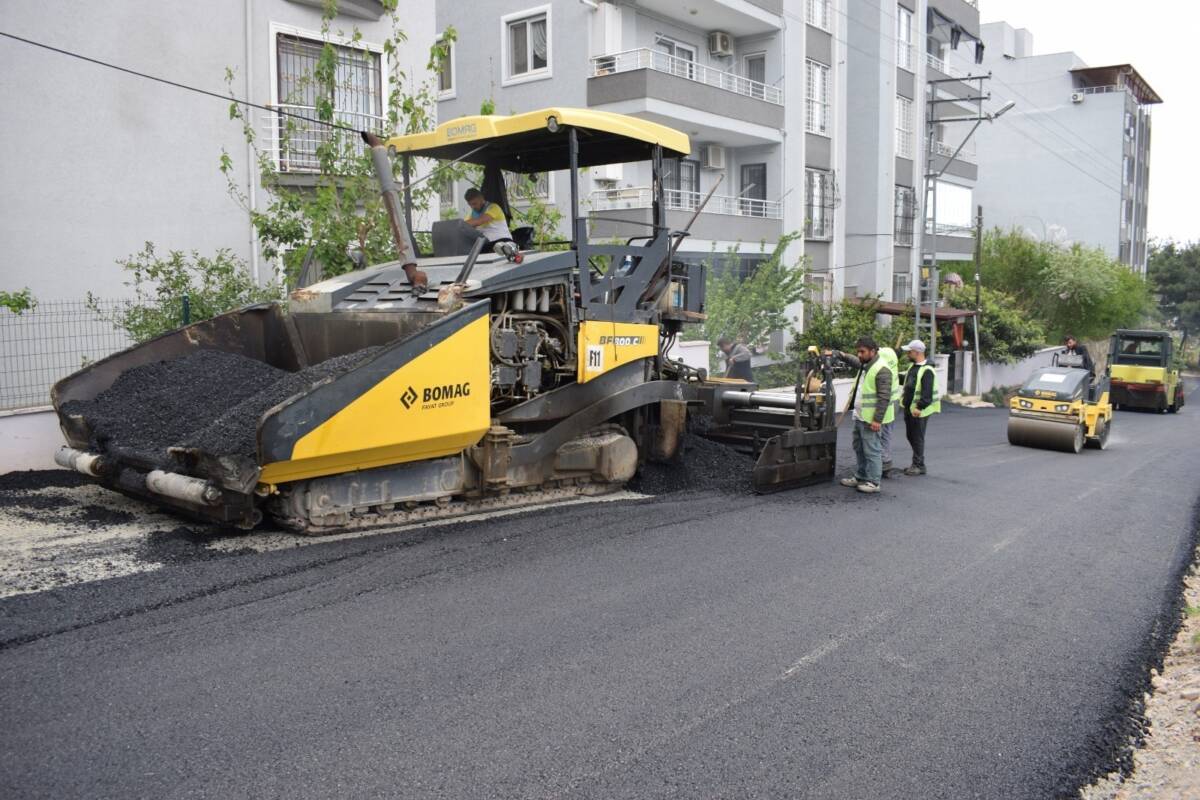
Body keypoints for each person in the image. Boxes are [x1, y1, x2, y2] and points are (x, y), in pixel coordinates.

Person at [832, 337, 893, 494]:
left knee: (872, 450)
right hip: (860, 416)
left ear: (873, 351)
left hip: (871, 419)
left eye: (862, 351)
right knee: (859, 448)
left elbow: (884, 397)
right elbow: (854, 361)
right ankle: (861, 476)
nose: (859, 354)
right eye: (858, 351)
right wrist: (840, 354)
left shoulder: (882, 369)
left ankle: (873, 481)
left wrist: (877, 420)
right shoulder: (867, 365)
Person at [900, 339, 940, 476]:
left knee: (917, 437)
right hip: (909, 409)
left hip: (919, 411)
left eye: (909, 352)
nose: (907, 354)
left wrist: (919, 407)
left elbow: (927, 393)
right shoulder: (914, 367)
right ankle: (918, 463)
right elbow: (908, 383)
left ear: (917, 353)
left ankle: (918, 465)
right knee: (911, 435)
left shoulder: (927, 370)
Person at [463, 188, 522, 263]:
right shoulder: (471, 214)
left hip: (502, 240)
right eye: (470, 204)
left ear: (481, 198)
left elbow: (479, 221)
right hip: (486, 244)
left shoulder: (493, 207)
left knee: (499, 246)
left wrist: (463, 225)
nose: (473, 207)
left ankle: (512, 252)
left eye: (474, 203)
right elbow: (464, 227)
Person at [877, 344, 900, 478]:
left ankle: (884, 463)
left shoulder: (881, 357)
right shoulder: (891, 353)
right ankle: (885, 461)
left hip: (887, 400)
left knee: (881, 433)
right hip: (894, 399)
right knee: (887, 433)